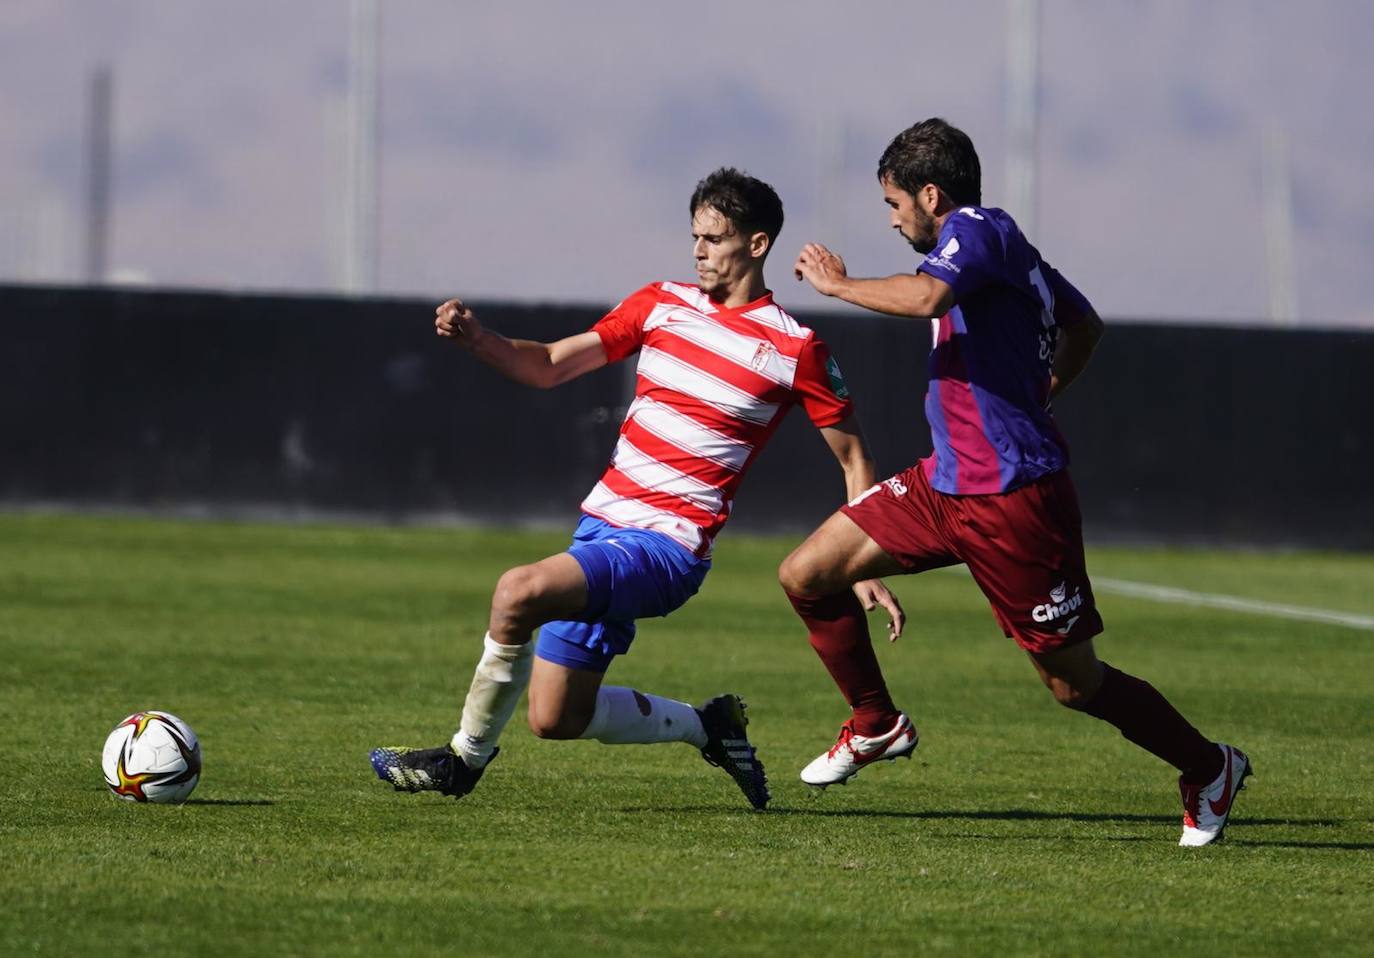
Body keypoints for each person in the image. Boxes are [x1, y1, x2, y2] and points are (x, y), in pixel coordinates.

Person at [370, 167, 902, 810]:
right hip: (601, 530)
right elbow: (547, 366)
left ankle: (462, 761)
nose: (699, 250)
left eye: (714, 238)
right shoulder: (659, 304)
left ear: (756, 244)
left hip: (668, 547)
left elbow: (854, 460)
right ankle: (711, 727)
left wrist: (864, 557)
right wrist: (479, 339)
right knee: (555, 716)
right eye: (695, 237)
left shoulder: (796, 349)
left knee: (518, 591)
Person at [781, 118, 1250, 846]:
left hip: (1015, 500)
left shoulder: (980, 230)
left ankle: (1208, 766)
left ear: (931, 194)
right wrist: (1043, 385)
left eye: (894, 202)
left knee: (1073, 685)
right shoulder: (1006, 253)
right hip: (946, 486)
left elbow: (928, 300)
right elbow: (1084, 325)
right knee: (808, 573)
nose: (893, 217)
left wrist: (837, 285)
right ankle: (875, 724)